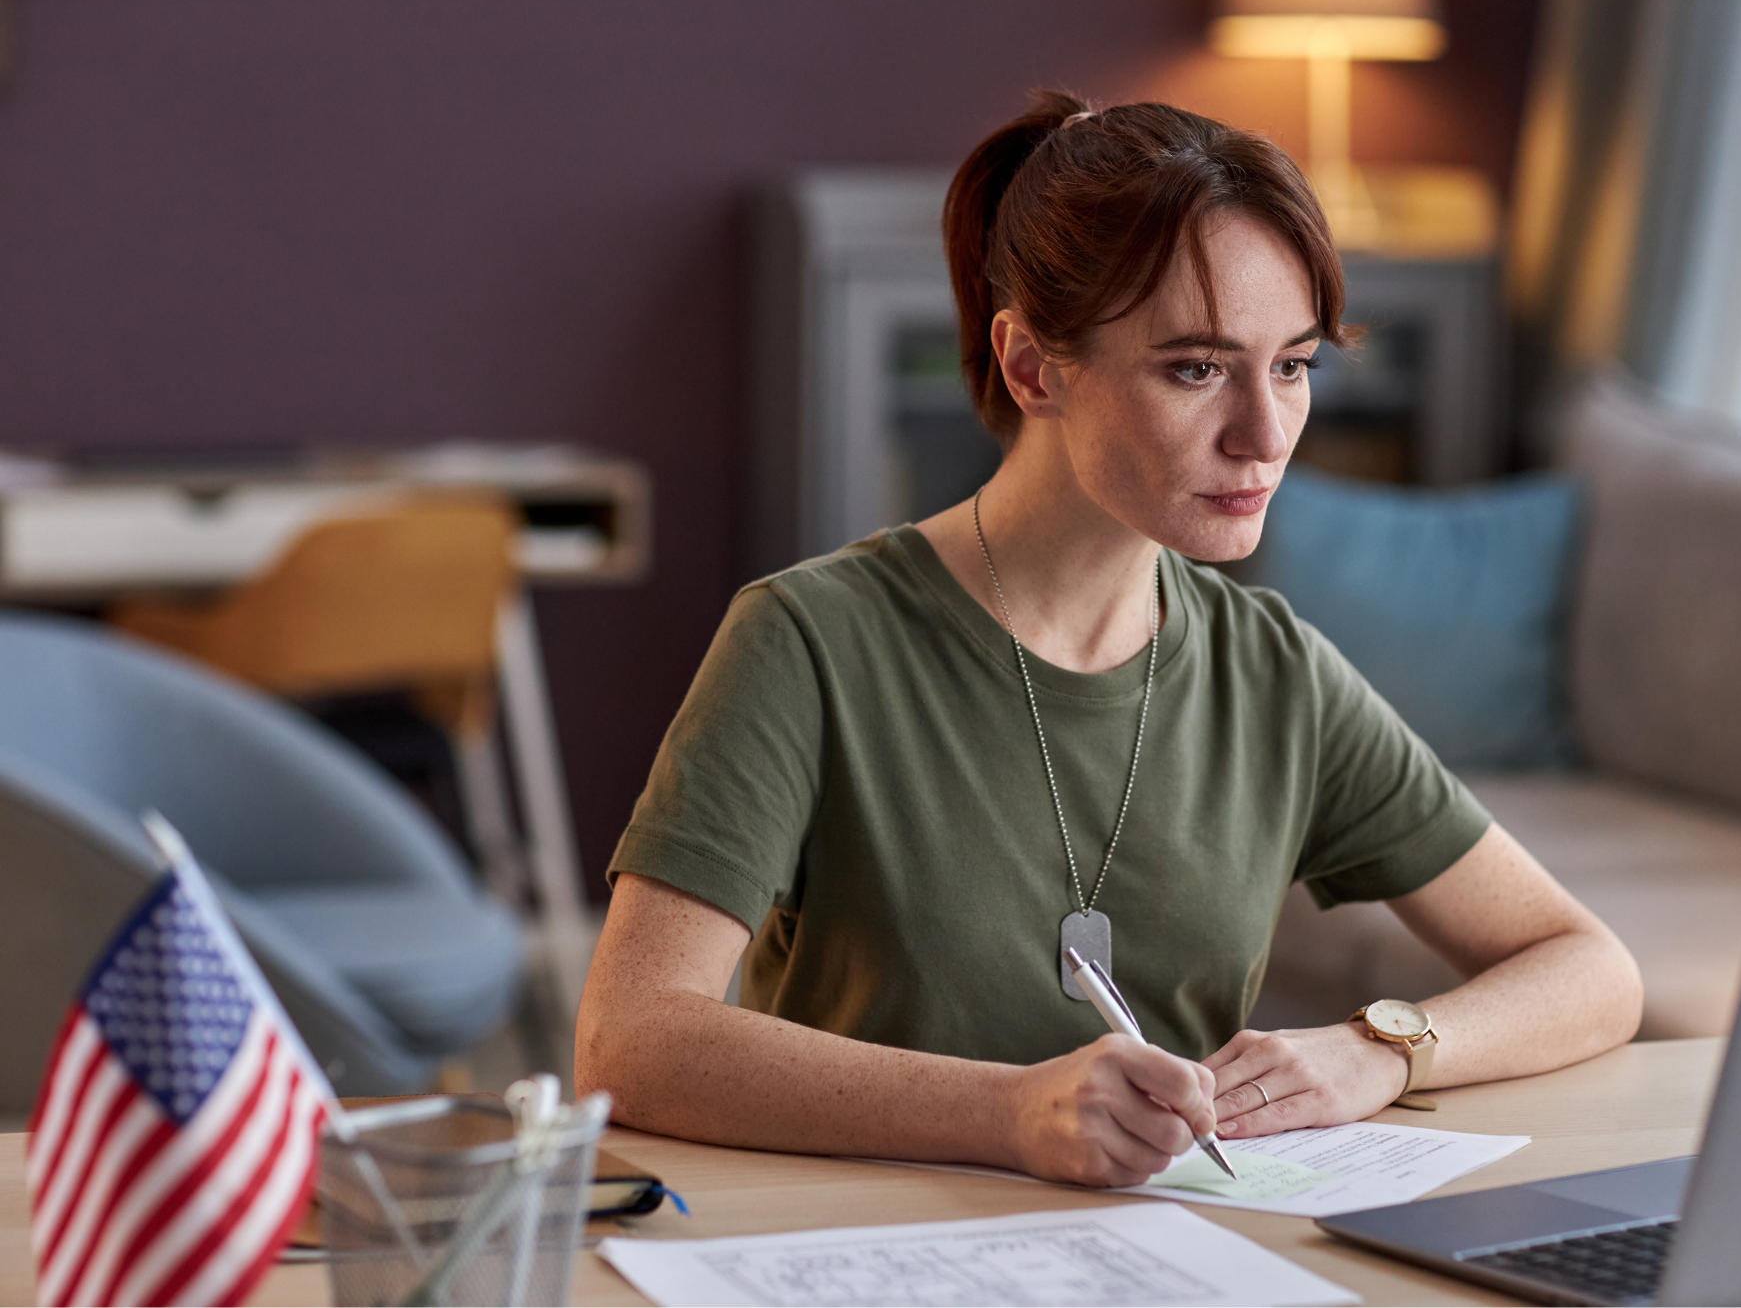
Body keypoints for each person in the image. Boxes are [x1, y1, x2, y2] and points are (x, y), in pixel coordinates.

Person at [575, 91, 1642, 1188]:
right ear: (1034, 366)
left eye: (1291, 365)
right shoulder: (809, 640)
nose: (1263, 436)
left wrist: (1377, 1048)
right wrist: (1005, 1110)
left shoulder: (1272, 672)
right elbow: (629, 1037)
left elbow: (1588, 969)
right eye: (1194, 368)